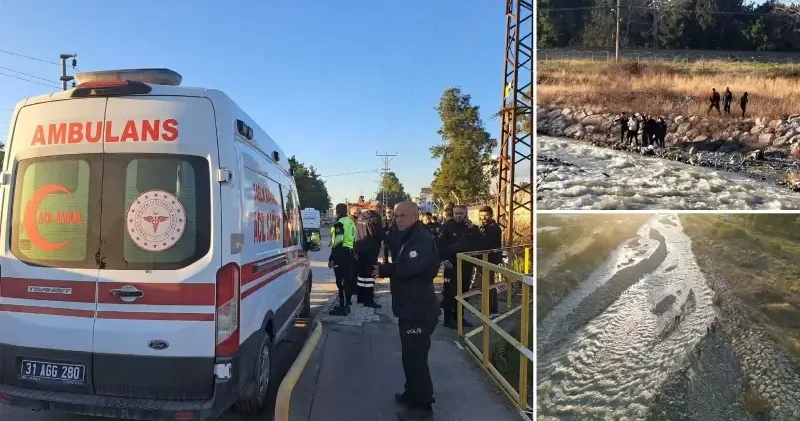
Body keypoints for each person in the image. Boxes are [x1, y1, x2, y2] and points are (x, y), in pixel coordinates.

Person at [373, 201, 440, 421]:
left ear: (415, 216)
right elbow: (392, 241)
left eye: (402, 215)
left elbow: (409, 267)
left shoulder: (420, 238)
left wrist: (383, 270)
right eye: (395, 216)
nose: (398, 219)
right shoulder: (407, 234)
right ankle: (413, 393)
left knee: (416, 358)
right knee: (409, 356)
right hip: (408, 307)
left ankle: (423, 403)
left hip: (419, 309)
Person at [437, 204, 479, 329]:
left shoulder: (470, 227)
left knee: (464, 291)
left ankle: (459, 317)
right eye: (456, 213)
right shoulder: (447, 227)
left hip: (466, 264)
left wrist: (473, 229)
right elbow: (439, 245)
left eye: (461, 213)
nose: (458, 216)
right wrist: (443, 260)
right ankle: (448, 319)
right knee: (450, 292)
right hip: (451, 265)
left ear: (466, 214)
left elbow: (479, 241)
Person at [328, 203, 357, 316]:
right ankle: (347, 305)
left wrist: (332, 258)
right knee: (347, 280)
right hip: (350, 254)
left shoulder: (339, 223)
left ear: (337, 211)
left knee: (341, 282)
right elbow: (353, 239)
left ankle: (343, 307)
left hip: (341, 255)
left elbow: (338, 242)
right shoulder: (351, 222)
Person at [354, 205, 384, 308]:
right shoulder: (375, 218)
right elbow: (378, 233)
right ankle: (369, 300)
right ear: (378, 209)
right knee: (370, 276)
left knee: (361, 275)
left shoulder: (361, 217)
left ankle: (360, 297)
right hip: (371, 249)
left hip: (360, 248)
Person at [476, 206, 502, 316]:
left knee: (488, 285)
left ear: (491, 215)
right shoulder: (485, 226)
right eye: (481, 216)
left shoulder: (493, 228)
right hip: (485, 259)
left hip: (490, 259)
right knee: (489, 284)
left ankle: (488, 311)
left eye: (486, 215)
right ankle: (493, 309)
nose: (483, 218)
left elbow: (487, 243)